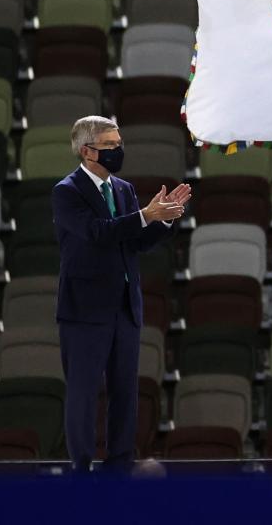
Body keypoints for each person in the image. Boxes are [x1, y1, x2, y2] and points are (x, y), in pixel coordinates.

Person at [53, 116, 191, 474]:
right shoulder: (67, 192)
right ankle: (81, 468)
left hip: (125, 307)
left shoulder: (124, 190)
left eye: (119, 144)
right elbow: (96, 233)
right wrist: (146, 215)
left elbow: (135, 240)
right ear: (86, 151)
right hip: (85, 309)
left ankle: (118, 464)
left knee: (125, 392)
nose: (118, 151)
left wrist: (163, 219)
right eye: (110, 146)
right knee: (84, 394)